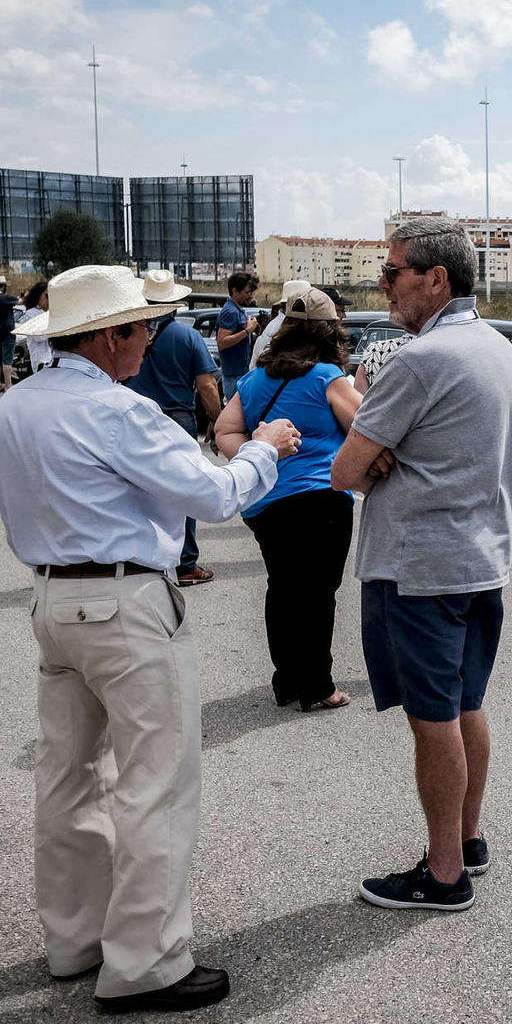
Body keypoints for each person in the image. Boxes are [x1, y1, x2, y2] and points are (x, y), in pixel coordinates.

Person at [0, 264, 301, 1013]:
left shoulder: (11, 412)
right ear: (108, 336)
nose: (149, 338)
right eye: (140, 327)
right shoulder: (117, 413)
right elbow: (213, 493)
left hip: (53, 595)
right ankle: (146, 959)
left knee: (67, 776)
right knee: (156, 780)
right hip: (123, 601)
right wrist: (267, 448)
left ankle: (74, 938)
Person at [330, 217, 512, 912]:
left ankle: (444, 874)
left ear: (435, 279)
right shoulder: (497, 347)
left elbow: (344, 471)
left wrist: (376, 453)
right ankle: (467, 840)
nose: (381, 285)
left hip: (420, 568)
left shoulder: (419, 359)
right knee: (466, 703)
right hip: (480, 561)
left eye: (392, 272)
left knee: (433, 720)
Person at [216, 287, 360, 711]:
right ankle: (318, 684)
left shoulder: (256, 379)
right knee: (318, 592)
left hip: (267, 502)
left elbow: (224, 430)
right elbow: (368, 427)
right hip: (321, 499)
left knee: (282, 588)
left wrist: (260, 457)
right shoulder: (326, 378)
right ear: (330, 330)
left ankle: (288, 680)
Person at [124, 270, 222, 586]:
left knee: (138, 488)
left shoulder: (129, 333)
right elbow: (206, 385)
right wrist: (217, 420)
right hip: (177, 418)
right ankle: (185, 563)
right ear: (176, 304)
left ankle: (144, 557)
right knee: (184, 488)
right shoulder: (187, 337)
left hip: (135, 417)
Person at [214, 271, 259, 400]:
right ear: (235, 291)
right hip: (234, 375)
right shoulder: (230, 312)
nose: (250, 296)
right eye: (247, 292)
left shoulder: (236, 310)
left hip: (240, 373)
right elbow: (222, 342)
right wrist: (246, 331)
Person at [16, 280, 51, 369]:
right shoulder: (30, 314)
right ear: (38, 296)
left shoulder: (49, 313)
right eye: (46, 296)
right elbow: (38, 337)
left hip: (52, 359)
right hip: (41, 360)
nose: (49, 299)